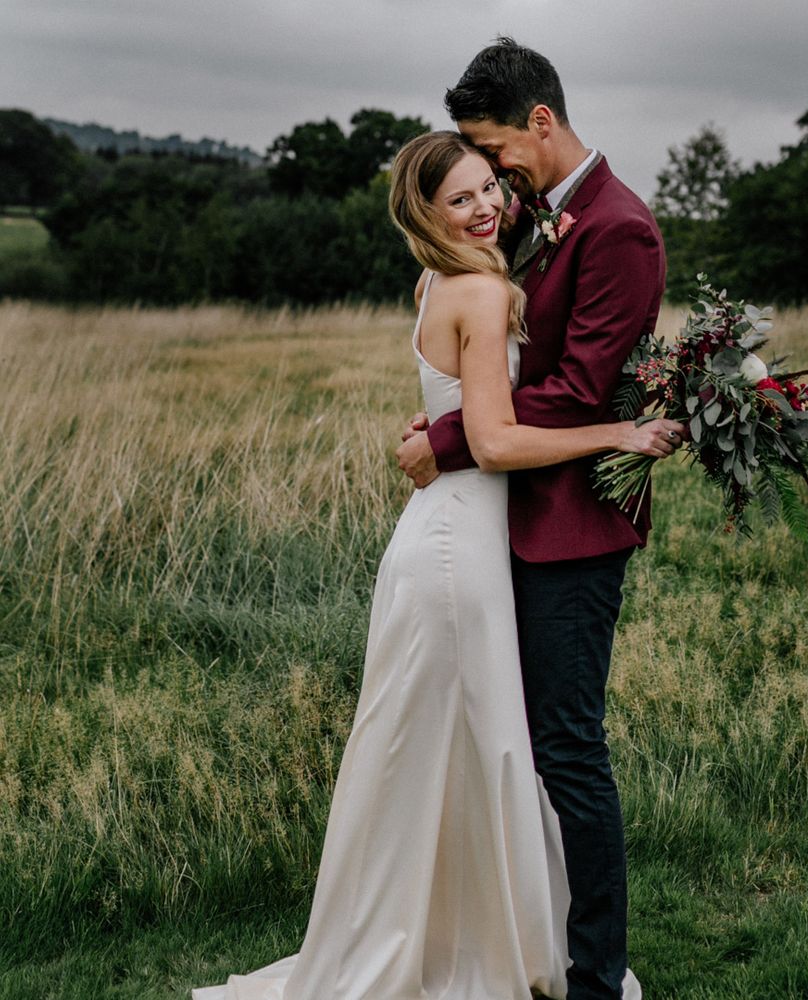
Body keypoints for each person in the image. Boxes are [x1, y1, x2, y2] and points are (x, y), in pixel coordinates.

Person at [191, 130, 680, 1000]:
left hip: (443, 535)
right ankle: (470, 947)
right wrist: (618, 431)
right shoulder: (481, 292)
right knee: (478, 744)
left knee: (440, 748)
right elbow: (492, 438)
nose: (488, 205)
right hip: (463, 547)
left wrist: (444, 435)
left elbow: (466, 412)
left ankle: (448, 933)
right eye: (461, 199)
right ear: (426, 213)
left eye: (489, 184)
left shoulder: (437, 280)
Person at [396, 39, 676, 1000]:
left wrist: (452, 437)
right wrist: (458, 425)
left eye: (493, 149)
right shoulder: (539, 219)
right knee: (511, 746)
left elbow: (577, 390)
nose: (494, 176)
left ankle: (595, 976)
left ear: (540, 124)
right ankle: (513, 937)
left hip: (574, 531)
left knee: (565, 747)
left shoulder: (619, 229)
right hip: (505, 526)